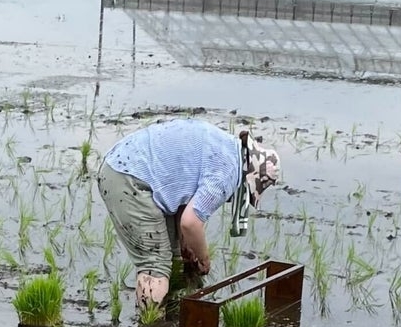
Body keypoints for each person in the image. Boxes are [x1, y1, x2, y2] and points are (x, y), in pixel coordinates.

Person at [98, 119, 279, 308]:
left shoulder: (226, 146)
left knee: (174, 255)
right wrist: (203, 258)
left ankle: (170, 312)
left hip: (123, 163)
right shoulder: (227, 174)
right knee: (156, 264)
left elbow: (183, 195)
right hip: (128, 177)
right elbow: (190, 223)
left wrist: (187, 245)